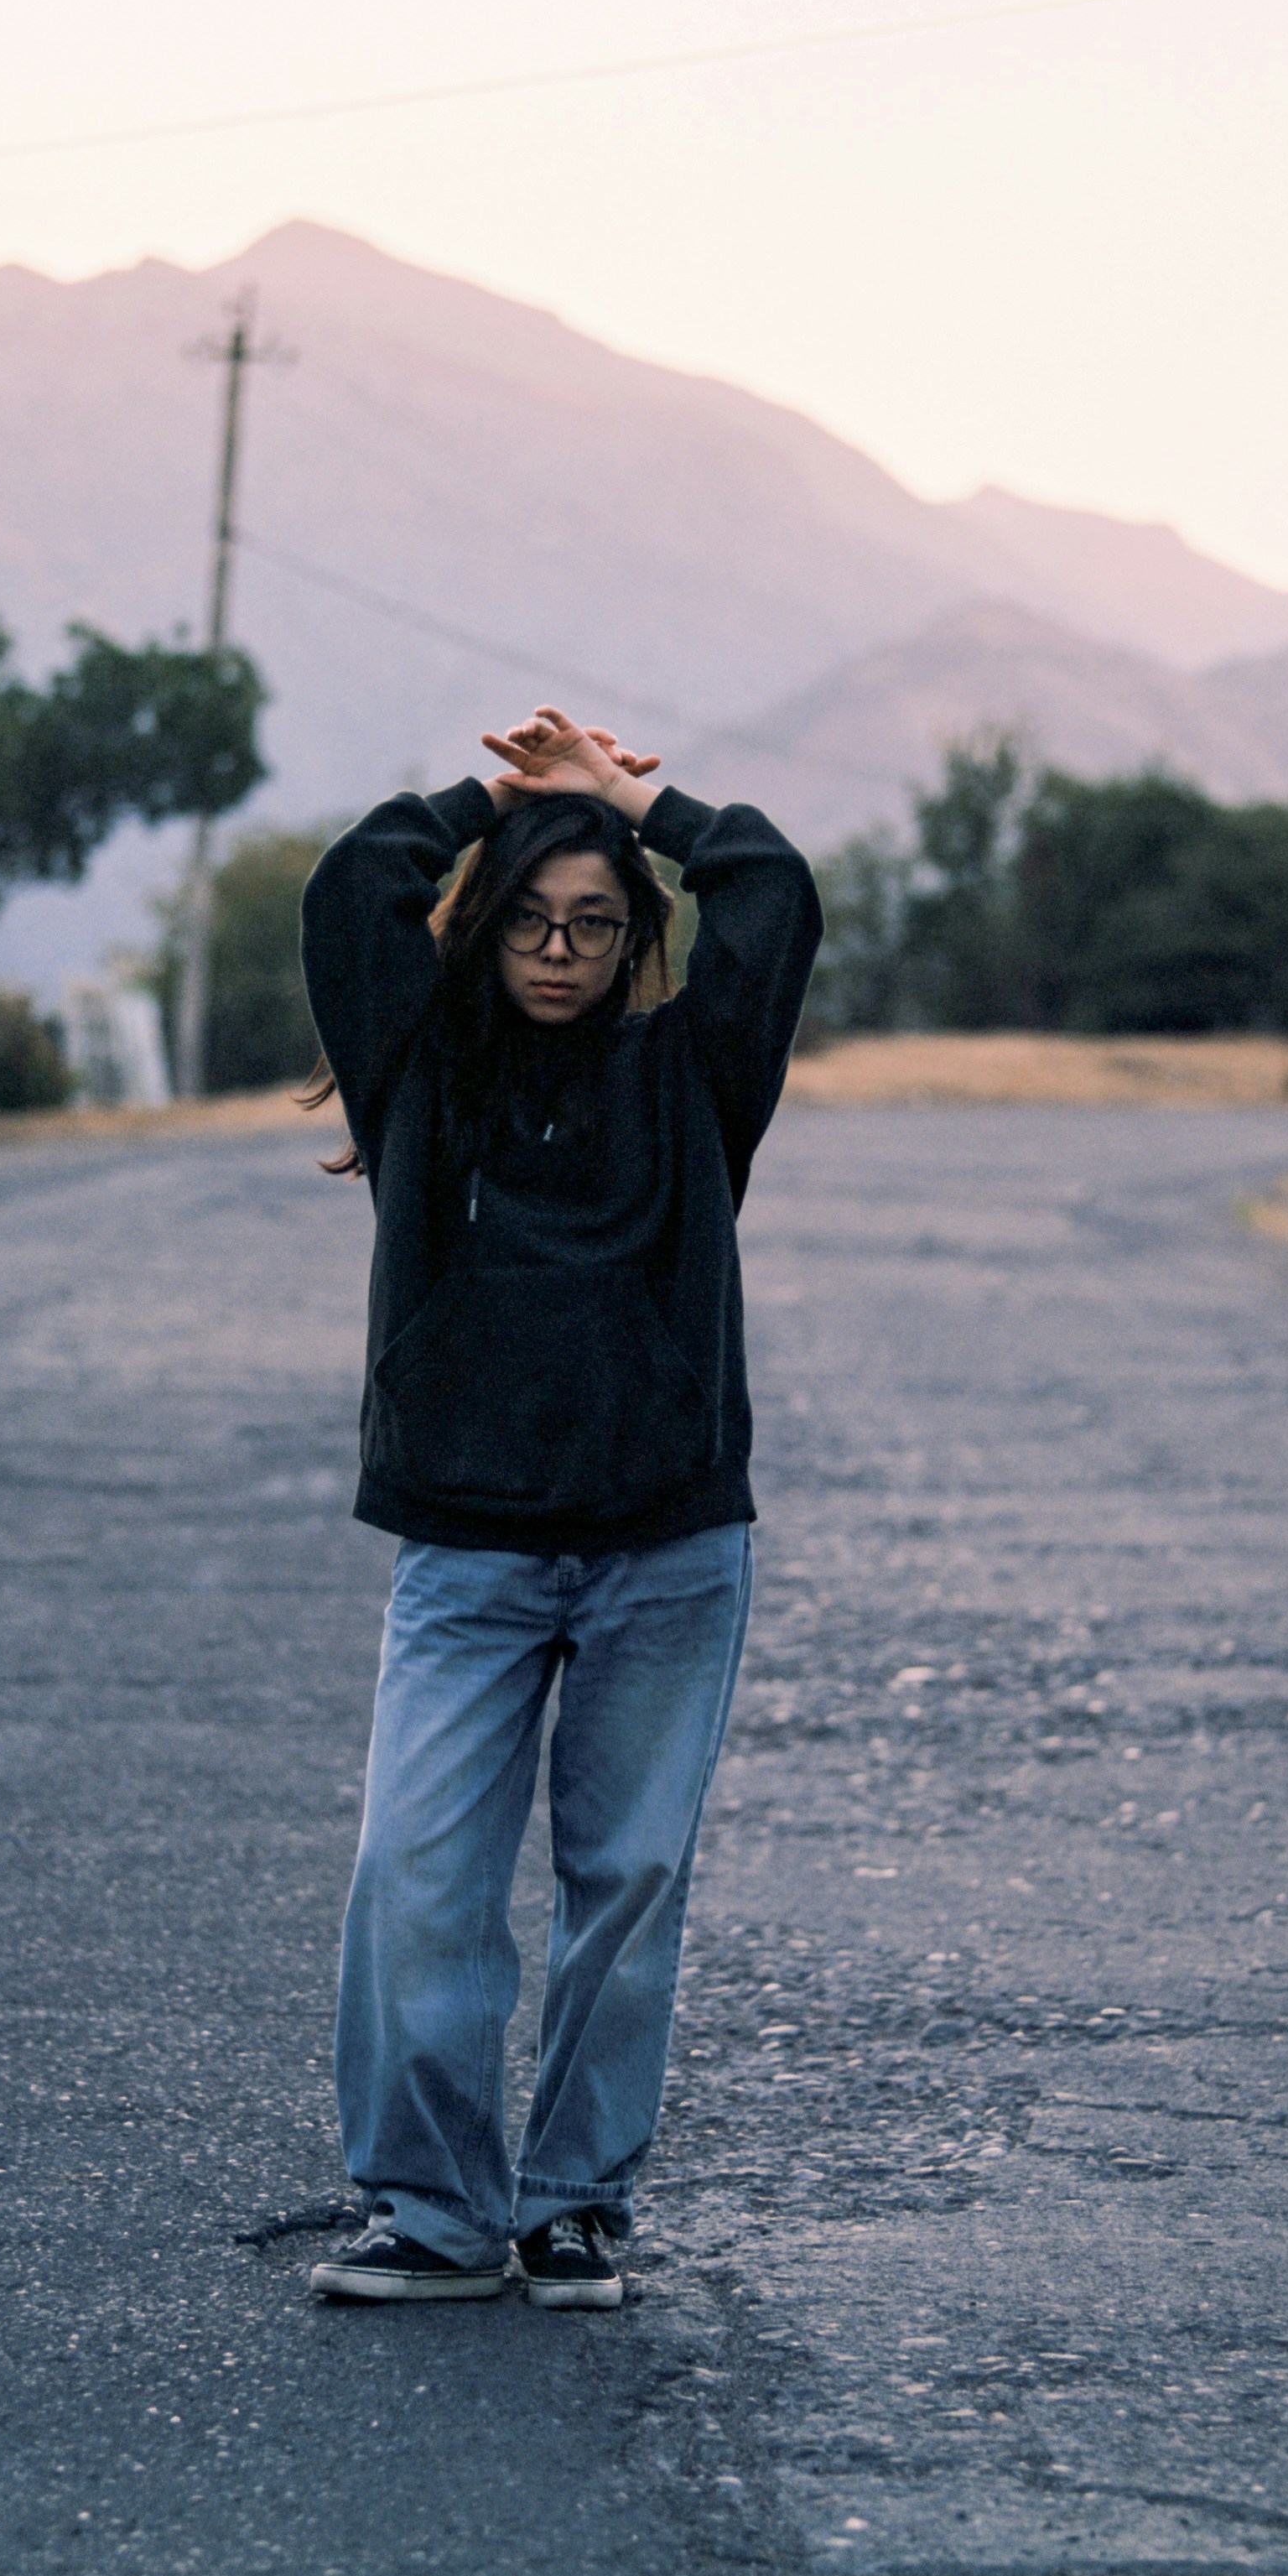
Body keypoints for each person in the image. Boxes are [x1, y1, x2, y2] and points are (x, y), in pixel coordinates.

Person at [293, 705, 821, 2309]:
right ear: (484, 919)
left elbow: (777, 893)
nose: (560, 951)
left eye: (596, 925)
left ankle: (576, 2201)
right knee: (417, 1874)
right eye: (529, 918)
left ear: (635, 936)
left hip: (669, 1545)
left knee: (629, 1882)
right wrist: (501, 795)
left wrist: (635, 799)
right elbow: (346, 888)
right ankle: (440, 2217)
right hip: (469, 1548)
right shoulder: (419, 1071)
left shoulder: (692, 1078)